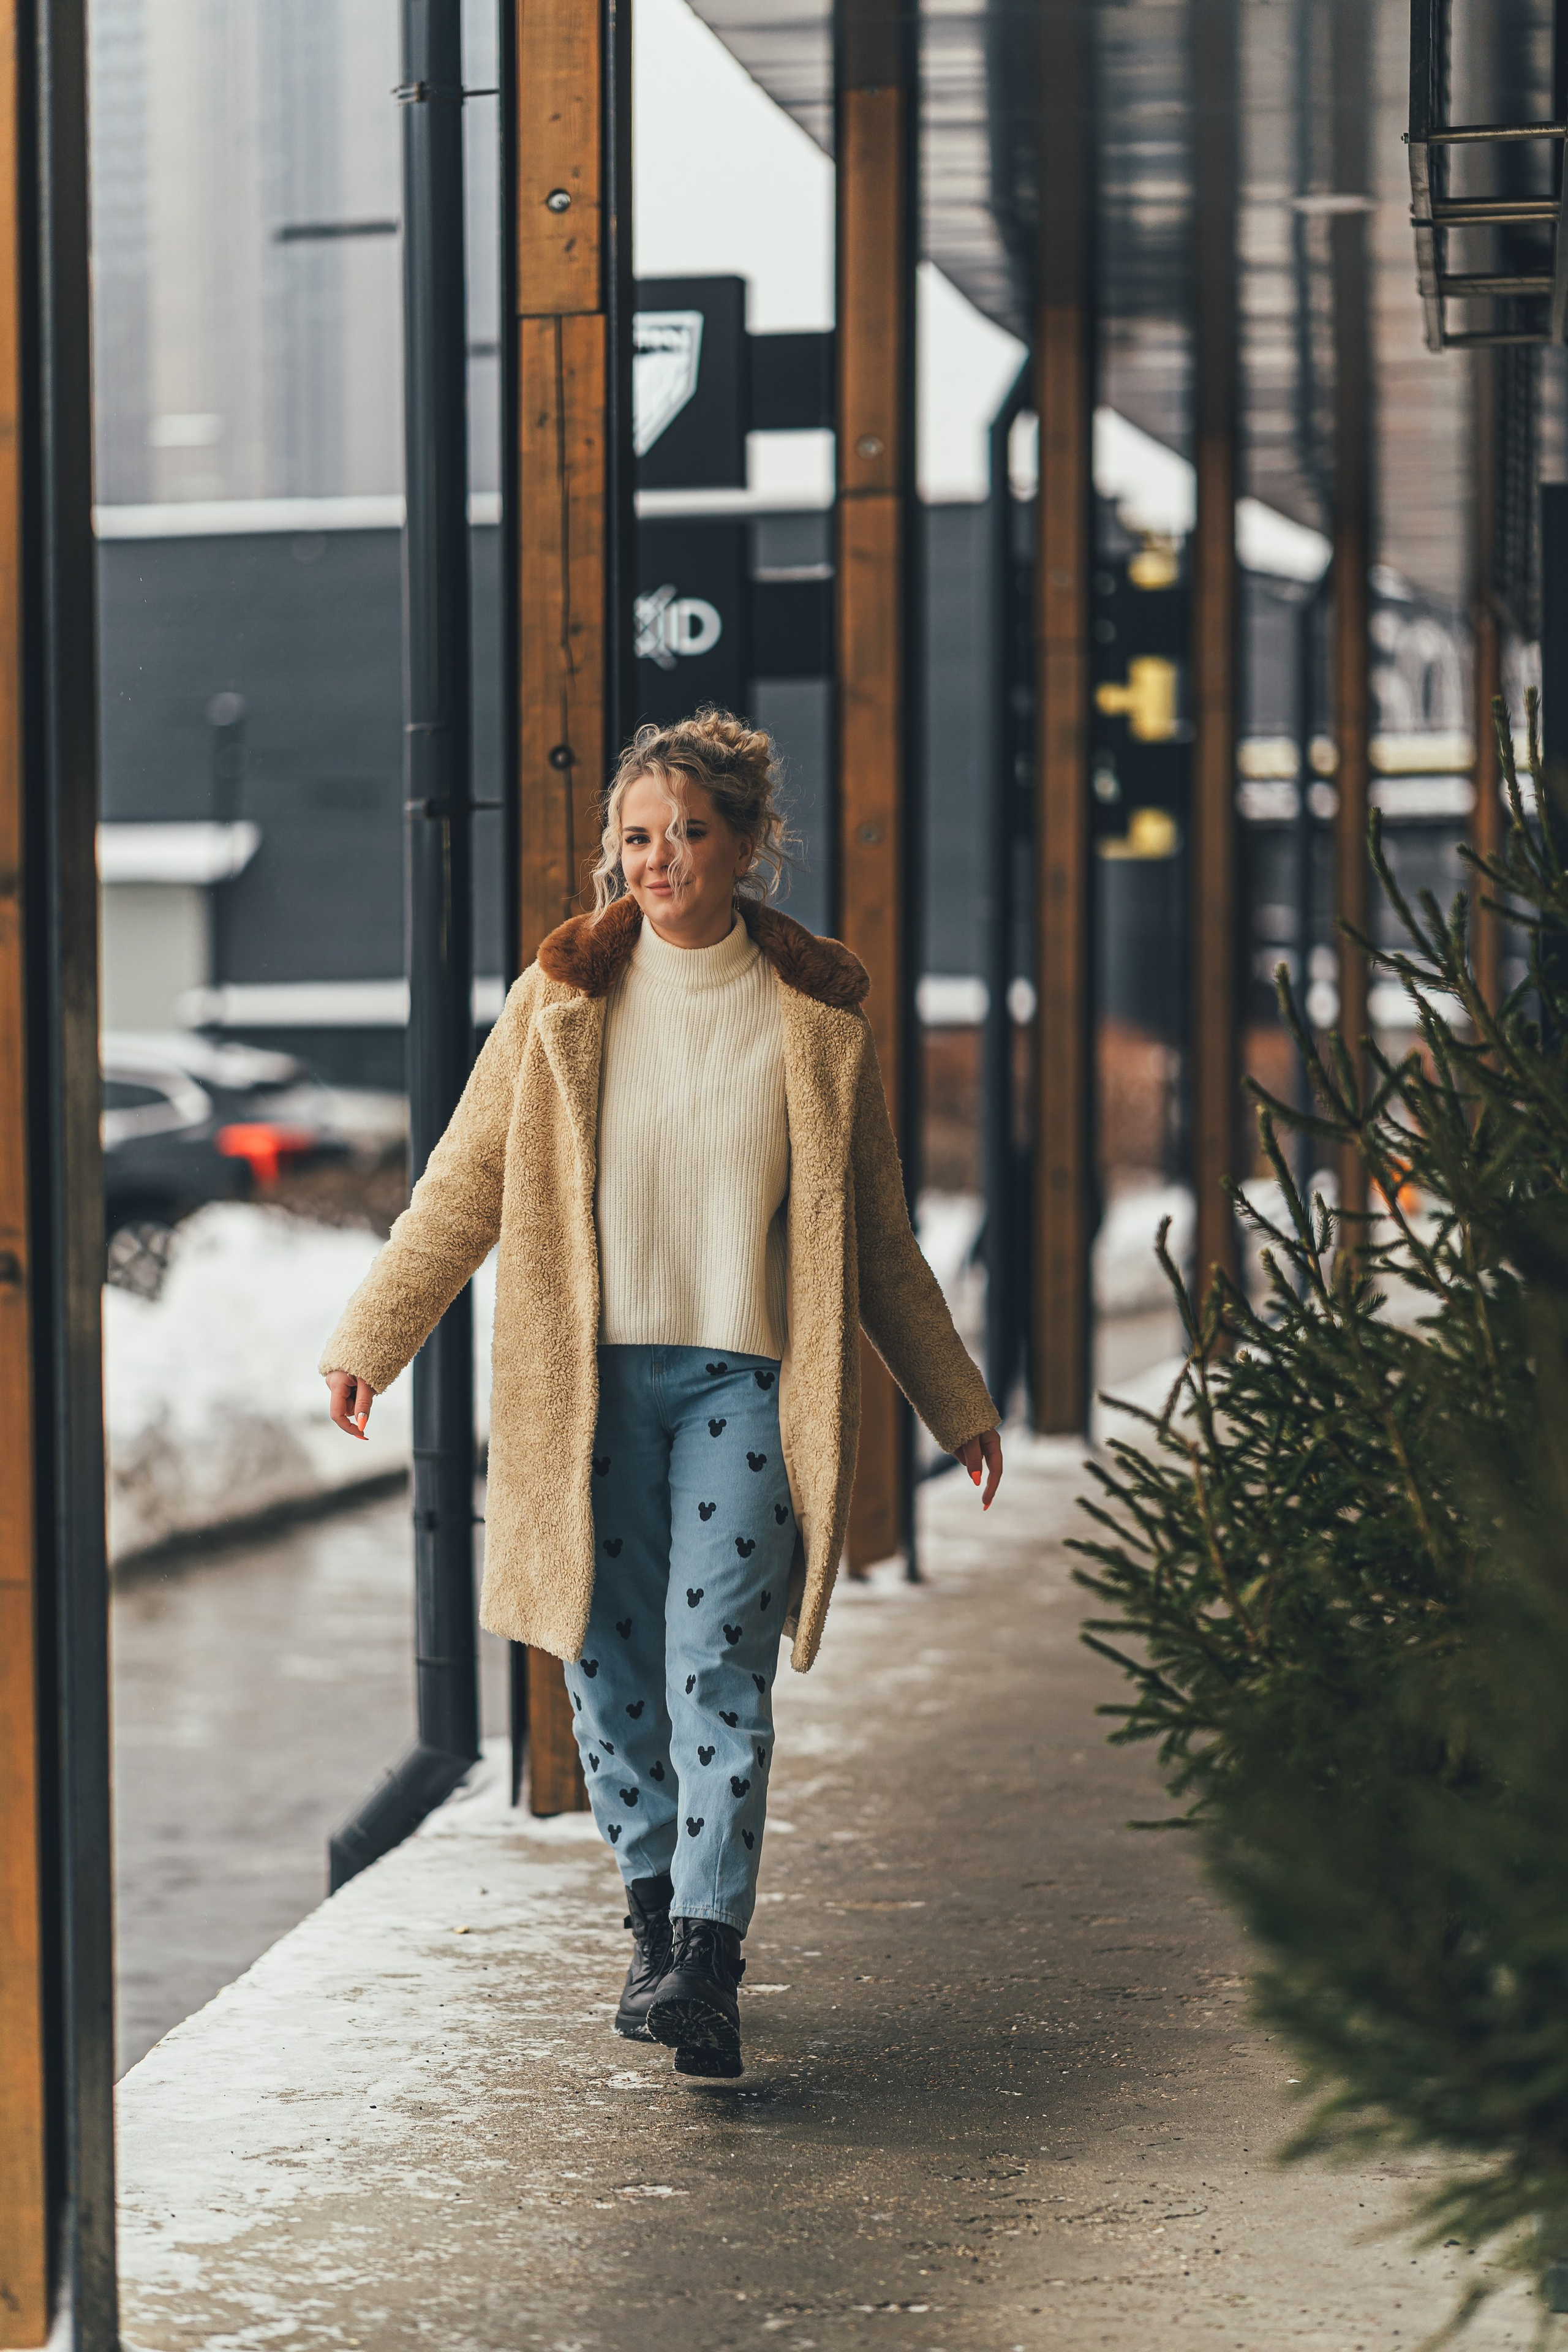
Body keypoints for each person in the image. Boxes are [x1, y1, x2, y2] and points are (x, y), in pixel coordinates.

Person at [320, 709, 1002, 2078]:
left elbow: (873, 1240)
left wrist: (956, 1402)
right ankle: (649, 1911)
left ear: (747, 847)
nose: (659, 858)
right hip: (583, 1391)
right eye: (637, 836)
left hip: (742, 1389)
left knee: (715, 1667)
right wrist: (371, 1338)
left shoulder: (817, 1025)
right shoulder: (559, 1004)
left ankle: (705, 1953)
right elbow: (461, 1185)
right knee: (606, 1663)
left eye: (689, 834)